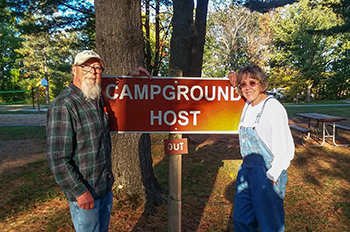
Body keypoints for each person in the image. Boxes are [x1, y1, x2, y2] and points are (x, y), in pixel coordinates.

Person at [46, 50, 150, 232]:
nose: (92, 72)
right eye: (86, 66)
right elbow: (58, 159)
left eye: (97, 67)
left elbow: (117, 89)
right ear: (74, 70)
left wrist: (131, 78)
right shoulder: (64, 105)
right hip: (85, 194)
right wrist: (80, 192)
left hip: (104, 189)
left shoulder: (95, 97)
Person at [232, 64, 295, 232]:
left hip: (267, 171)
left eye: (252, 83)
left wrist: (272, 175)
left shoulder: (273, 108)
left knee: (270, 225)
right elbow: (235, 83)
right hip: (246, 170)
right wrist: (232, 77)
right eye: (243, 84)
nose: (247, 88)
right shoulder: (247, 105)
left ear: (261, 83)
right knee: (241, 220)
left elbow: (286, 148)